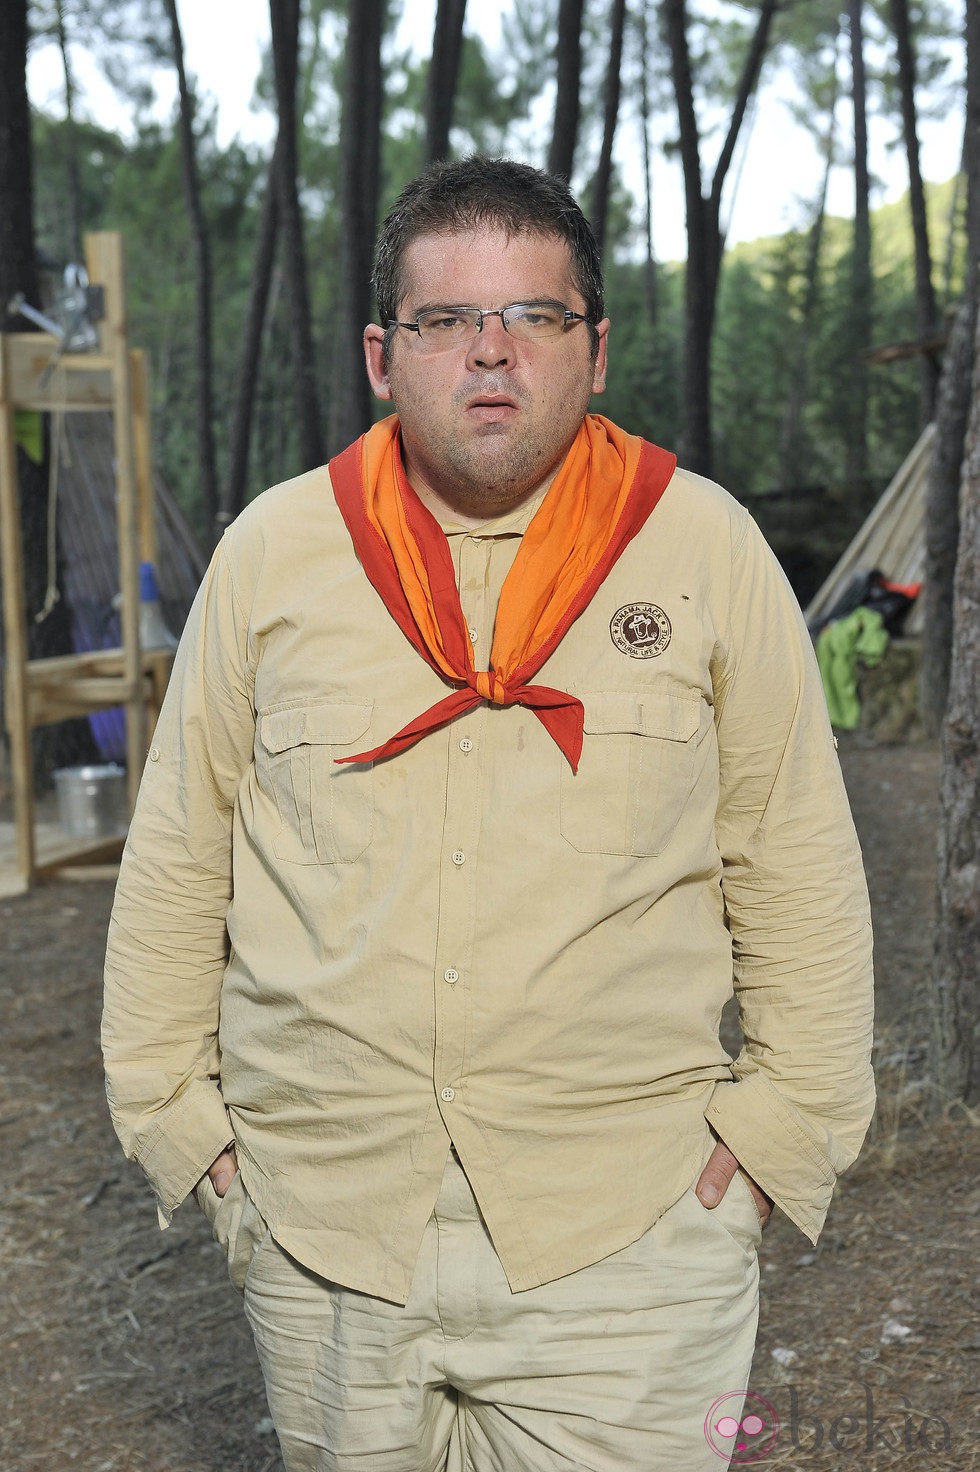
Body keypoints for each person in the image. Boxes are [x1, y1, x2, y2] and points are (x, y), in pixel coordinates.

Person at [103, 157, 875, 1472]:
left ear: (597, 349)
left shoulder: (703, 549)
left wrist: (776, 1140)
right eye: (445, 321)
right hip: (325, 1234)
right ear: (379, 355)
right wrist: (189, 1132)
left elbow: (794, 858)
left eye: (535, 316)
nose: (490, 354)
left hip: (626, 1243)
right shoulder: (275, 555)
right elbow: (182, 856)